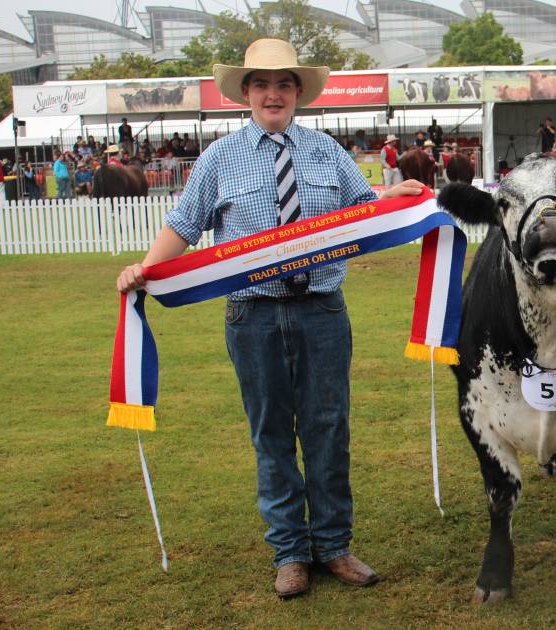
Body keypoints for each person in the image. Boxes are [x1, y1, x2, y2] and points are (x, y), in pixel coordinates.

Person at [114, 38, 423, 601]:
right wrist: (147, 269)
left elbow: (363, 213)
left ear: (298, 93)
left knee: (329, 429)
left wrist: (395, 197)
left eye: (284, 84)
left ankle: (333, 545)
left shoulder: (327, 152)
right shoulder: (218, 159)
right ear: (246, 94)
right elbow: (184, 225)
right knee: (271, 434)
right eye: (262, 84)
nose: (273, 93)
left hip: (323, 313)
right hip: (252, 317)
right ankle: (290, 553)